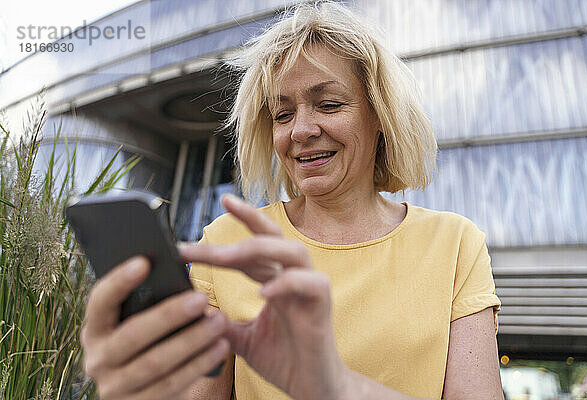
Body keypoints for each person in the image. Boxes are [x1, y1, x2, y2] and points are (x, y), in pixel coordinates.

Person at [80, 2, 504, 399]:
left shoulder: (454, 244)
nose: (300, 130)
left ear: (380, 115)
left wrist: (331, 383)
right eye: (282, 114)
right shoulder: (228, 240)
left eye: (329, 104)